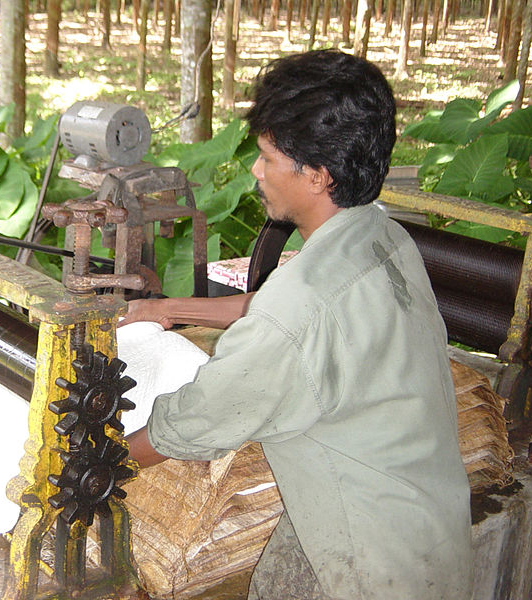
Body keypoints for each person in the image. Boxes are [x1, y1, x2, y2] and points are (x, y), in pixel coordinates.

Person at [122, 49, 473, 600]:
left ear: (316, 175)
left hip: (373, 574)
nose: (257, 172)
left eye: (267, 157)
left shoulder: (302, 306)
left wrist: (97, 467)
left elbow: (196, 422)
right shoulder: (382, 236)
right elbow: (289, 313)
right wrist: (169, 310)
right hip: (425, 523)